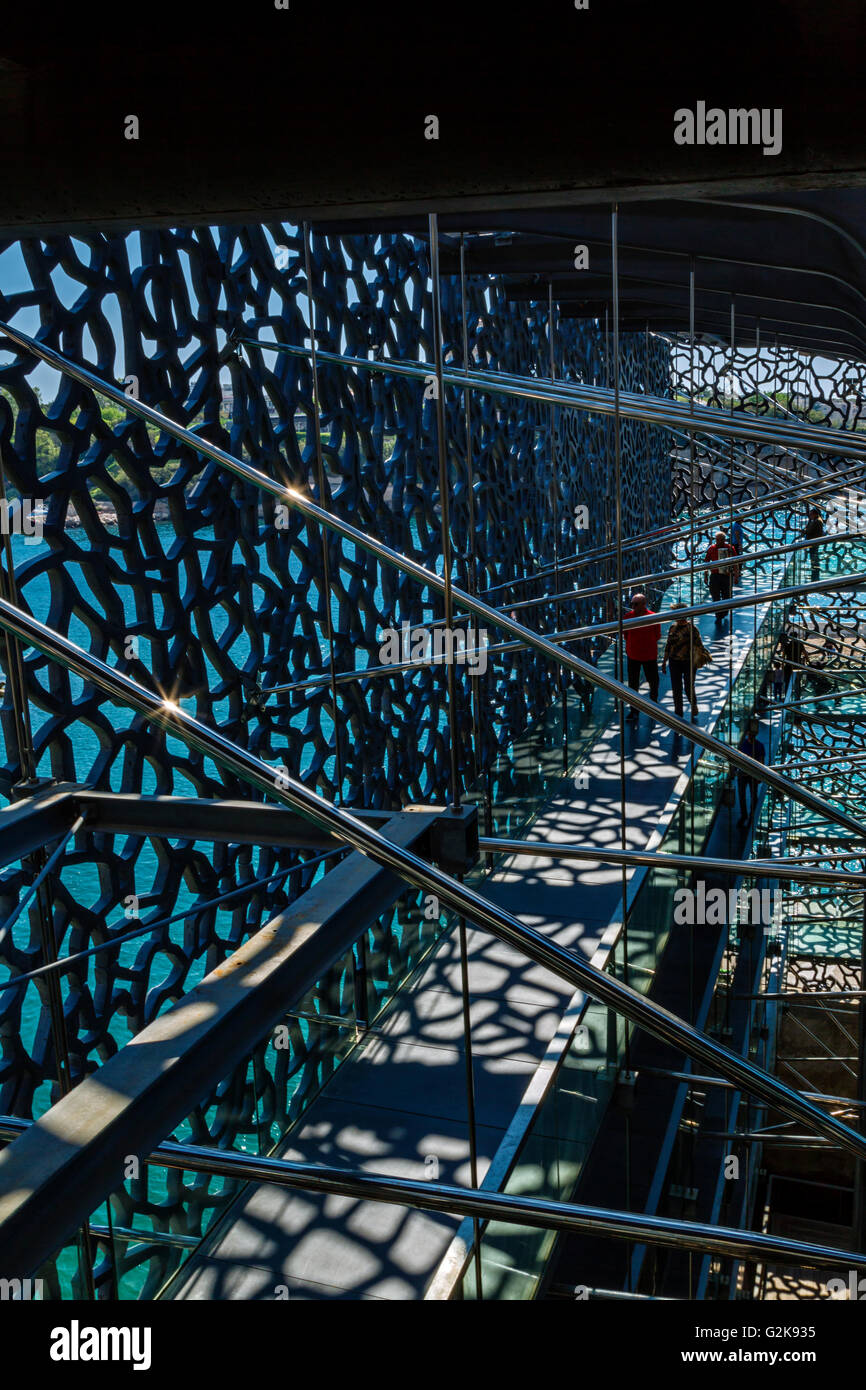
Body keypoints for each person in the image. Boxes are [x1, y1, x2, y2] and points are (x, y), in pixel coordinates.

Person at [661, 602, 710, 720]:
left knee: (688, 686)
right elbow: (668, 645)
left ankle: (693, 704)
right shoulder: (672, 628)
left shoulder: (692, 629)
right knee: (676, 688)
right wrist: (664, 661)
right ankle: (679, 713)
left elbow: (699, 645)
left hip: (689, 662)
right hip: (674, 662)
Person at [622, 591, 661, 721]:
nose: (633, 606)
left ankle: (652, 708)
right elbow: (657, 636)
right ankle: (635, 710)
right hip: (638, 655)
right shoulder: (629, 616)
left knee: (653, 682)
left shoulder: (651, 617)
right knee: (634, 684)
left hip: (644, 655)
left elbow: (626, 635)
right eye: (632, 604)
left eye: (636, 604)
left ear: (644, 604)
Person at [736, 717, 766, 828]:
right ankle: (746, 814)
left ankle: (748, 814)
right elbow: (762, 761)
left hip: (746, 774)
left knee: (750, 795)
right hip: (748, 774)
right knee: (744, 795)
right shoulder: (759, 746)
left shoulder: (743, 744)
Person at [704, 530, 738, 622]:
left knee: (726, 595)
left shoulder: (730, 548)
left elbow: (735, 562)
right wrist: (706, 575)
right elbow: (706, 563)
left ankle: (724, 611)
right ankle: (718, 615)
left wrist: (736, 575)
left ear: (724, 540)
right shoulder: (711, 548)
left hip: (726, 576)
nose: (718, 541)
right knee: (715, 596)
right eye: (717, 539)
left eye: (720, 540)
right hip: (714, 575)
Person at [804, 507, 824, 583]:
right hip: (814, 542)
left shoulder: (816, 521)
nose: (810, 515)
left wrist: (805, 530)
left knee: (813, 557)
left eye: (811, 514)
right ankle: (814, 574)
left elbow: (809, 531)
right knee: (814, 556)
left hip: (813, 542)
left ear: (815, 514)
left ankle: (814, 574)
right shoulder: (817, 520)